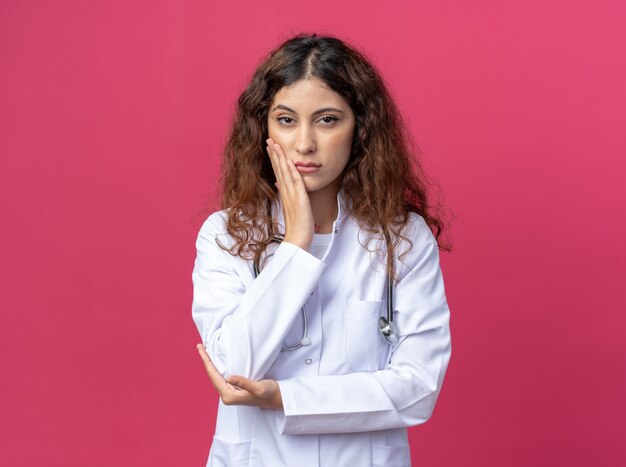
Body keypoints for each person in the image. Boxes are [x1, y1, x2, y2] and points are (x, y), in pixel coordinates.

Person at [192, 33, 452, 467]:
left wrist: (283, 397)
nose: (304, 144)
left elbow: (419, 386)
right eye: (287, 120)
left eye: (328, 120)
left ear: (361, 128)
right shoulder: (224, 236)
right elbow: (236, 368)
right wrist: (296, 243)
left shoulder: (402, 237)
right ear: (263, 128)